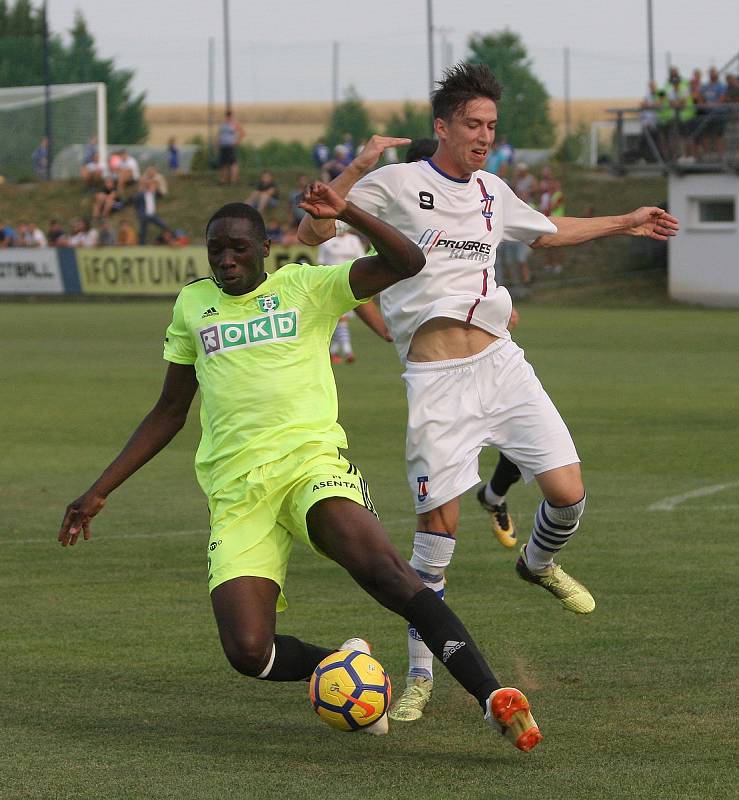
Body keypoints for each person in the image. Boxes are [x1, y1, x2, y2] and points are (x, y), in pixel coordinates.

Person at [57, 183, 544, 753]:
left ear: (266, 247)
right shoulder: (193, 305)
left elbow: (407, 260)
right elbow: (169, 410)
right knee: (248, 652)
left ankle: (491, 696)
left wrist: (349, 213)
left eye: (238, 248)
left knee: (385, 571)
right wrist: (98, 491)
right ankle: (345, 666)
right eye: (216, 249)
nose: (226, 259)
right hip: (236, 491)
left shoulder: (307, 288)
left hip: (310, 465)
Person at [298, 62, 679, 723]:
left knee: (568, 493)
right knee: (433, 541)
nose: (483, 136)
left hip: (501, 366)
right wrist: (354, 172)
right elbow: (312, 233)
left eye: (491, 126)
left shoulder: (492, 192)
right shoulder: (397, 183)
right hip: (436, 384)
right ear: (441, 126)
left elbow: (552, 229)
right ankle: (419, 679)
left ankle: (535, 564)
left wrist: (625, 221)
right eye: (472, 124)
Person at [217, 110, 245, 184]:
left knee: (233, 163)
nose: (228, 118)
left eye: (230, 116)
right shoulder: (222, 125)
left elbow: (242, 133)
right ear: (225, 116)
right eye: (227, 116)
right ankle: (223, 179)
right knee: (223, 164)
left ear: (232, 116)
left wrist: (237, 142)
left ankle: (234, 180)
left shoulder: (234, 124)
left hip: (230, 146)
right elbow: (219, 135)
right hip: (223, 146)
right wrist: (217, 143)